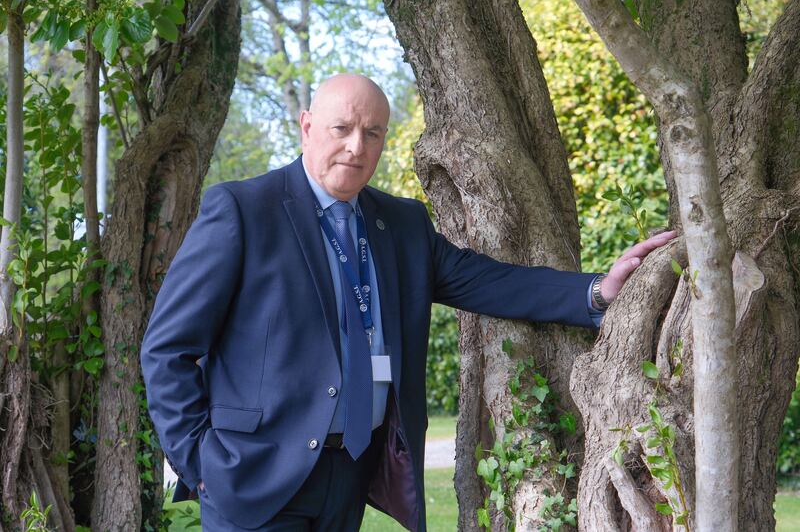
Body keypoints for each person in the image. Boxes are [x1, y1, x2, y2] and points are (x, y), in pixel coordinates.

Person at [140, 73, 675, 531]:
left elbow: (485, 280)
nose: (356, 146)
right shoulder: (242, 210)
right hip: (252, 473)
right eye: (341, 129)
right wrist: (200, 461)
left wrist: (596, 290)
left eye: (372, 133)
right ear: (306, 126)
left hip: (349, 472)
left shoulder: (401, 223)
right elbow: (167, 349)